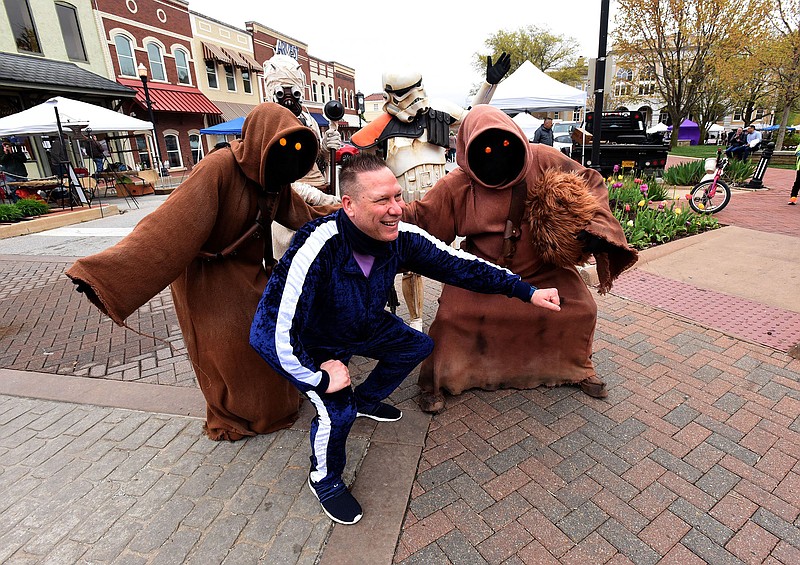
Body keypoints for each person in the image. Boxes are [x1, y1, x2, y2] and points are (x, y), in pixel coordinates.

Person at [250, 152, 561, 525]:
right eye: (382, 200)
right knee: (337, 413)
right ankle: (325, 479)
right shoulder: (315, 246)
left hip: (364, 326)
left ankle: (366, 398)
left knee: (416, 345)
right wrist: (319, 376)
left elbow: (460, 266)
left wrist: (526, 291)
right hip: (318, 347)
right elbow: (267, 331)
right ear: (348, 205)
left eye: (397, 196)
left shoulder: (401, 238)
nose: (396, 208)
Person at [65, 103, 339, 441]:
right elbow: (165, 228)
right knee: (227, 346)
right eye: (281, 144)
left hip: (248, 270)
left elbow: (303, 215)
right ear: (260, 140)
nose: (288, 154)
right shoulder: (218, 167)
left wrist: (348, 217)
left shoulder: (273, 179)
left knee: (266, 336)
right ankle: (232, 414)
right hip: (206, 274)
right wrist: (102, 275)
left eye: (296, 148)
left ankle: (274, 407)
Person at [402, 104, 639, 413]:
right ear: (467, 147)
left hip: (542, 268)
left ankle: (576, 368)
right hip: (484, 275)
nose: (497, 155)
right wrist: (381, 215)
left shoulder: (545, 159)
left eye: (502, 144)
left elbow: (590, 181)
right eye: (485, 148)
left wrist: (592, 227)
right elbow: (422, 218)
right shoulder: (458, 185)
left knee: (582, 308)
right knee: (450, 319)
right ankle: (437, 380)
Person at [351, 53, 511, 331]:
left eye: (416, 87)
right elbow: (365, 172)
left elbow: (474, 119)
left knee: (455, 258)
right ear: (392, 95)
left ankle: (460, 311)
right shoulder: (380, 130)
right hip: (407, 208)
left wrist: (489, 84)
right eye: (405, 92)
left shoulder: (439, 111)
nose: (414, 97)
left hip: (444, 206)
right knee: (410, 265)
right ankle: (414, 320)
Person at [263, 54, 342, 258]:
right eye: (282, 92)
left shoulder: (308, 120)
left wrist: (325, 146)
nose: (289, 98)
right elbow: (273, 174)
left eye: (294, 91)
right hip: (289, 203)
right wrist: (315, 196)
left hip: (320, 192)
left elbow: (316, 160)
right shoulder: (267, 122)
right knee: (295, 259)